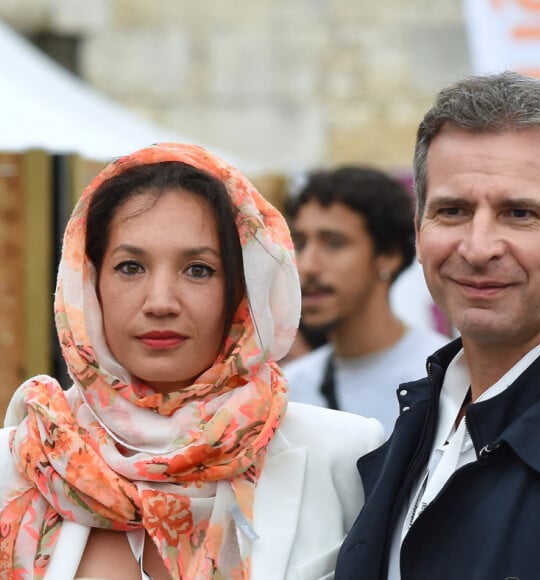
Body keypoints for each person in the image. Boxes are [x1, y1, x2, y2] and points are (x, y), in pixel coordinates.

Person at [0, 143, 384, 579]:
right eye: (130, 267)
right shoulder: (22, 462)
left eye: (198, 270)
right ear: (89, 283)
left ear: (242, 292)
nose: (161, 302)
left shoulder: (343, 456)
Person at [335, 71, 540, 579]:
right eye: (453, 210)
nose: (477, 247)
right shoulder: (420, 415)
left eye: (519, 213)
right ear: (418, 229)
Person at [282, 166, 448, 433]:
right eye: (300, 244)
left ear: (388, 256)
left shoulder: (445, 379)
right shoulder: (287, 390)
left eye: (333, 243)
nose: (307, 265)